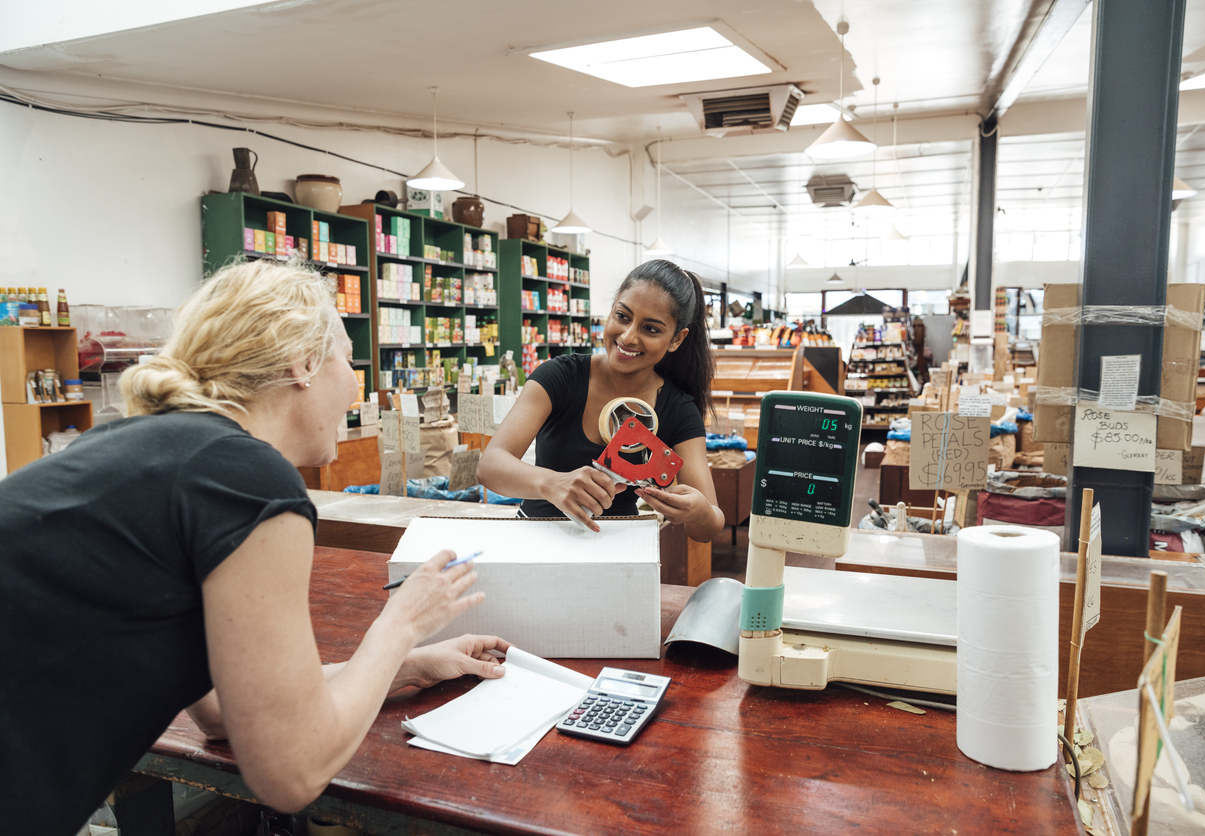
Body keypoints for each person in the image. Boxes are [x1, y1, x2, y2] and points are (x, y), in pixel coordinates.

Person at [0, 260, 506, 836]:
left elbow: (218, 715)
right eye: (346, 357)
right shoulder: (245, 477)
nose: (355, 383)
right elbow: (291, 774)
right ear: (304, 363)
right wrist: (402, 624)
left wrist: (410, 666)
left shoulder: (148, 449)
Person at [478, 260, 724, 541]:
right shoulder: (560, 376)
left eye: (651, 329)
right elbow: (490, 466)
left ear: (676, 339)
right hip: (535, 538)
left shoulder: (677, 408)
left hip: (618, 547)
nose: (628, 337)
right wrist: (552, 483)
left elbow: (709, 526)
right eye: (622, 316)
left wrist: (700, 512)